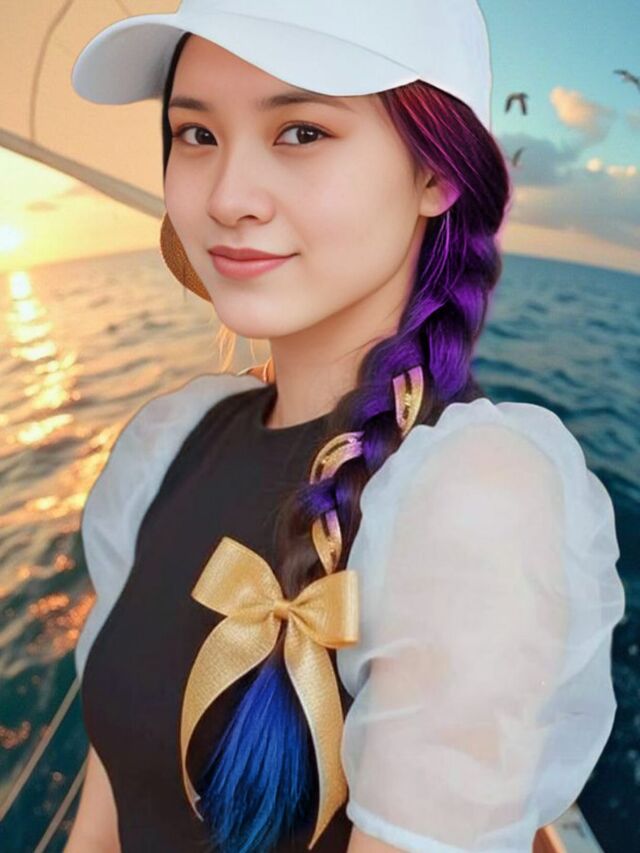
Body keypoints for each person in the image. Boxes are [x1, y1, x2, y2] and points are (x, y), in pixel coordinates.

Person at [65, 2, 626, 852]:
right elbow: (103, 808)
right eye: (196, 134)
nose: (227, 197)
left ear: (436, 174)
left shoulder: (472, 500)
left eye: (302, 132)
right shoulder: (167, 442)